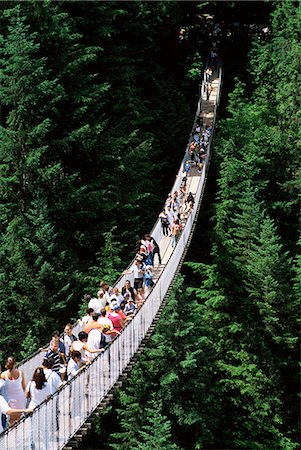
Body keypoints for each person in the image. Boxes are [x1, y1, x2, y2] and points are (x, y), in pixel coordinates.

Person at [0, 356, 26, 426]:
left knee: (11, 420)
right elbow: (23, 387)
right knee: (19, 418)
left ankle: (12, 435)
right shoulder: (20, 373)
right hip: (20, 398)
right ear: (15, 363)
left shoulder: (3, 375)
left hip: (9, 399)